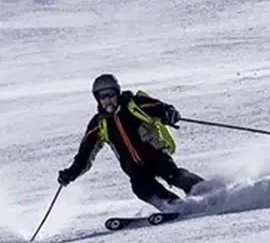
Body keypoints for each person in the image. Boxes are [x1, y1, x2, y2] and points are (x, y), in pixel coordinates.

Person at [58, 74, 207, 211]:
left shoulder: (134, 105)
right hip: (133, 167)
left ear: (117, 93)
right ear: (98, 99)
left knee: (174, 175)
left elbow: (157, 107)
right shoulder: (99, 123)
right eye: (102, 97)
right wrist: (71, 173)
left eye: (110, 95)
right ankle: (174, 206)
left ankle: (206, 190)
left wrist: (168, 113)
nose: (107, 100)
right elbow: (85, 154)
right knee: (141, 188)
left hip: (155, 156)